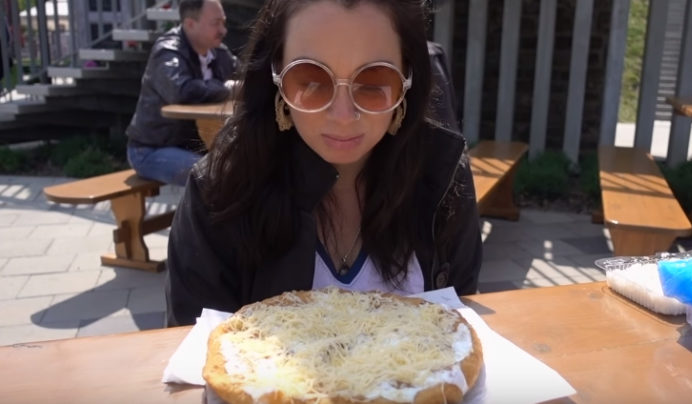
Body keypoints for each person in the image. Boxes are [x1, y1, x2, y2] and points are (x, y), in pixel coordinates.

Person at [164, 0, 483, 326]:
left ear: (408, 79)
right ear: (276, 76)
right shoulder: (218, 195)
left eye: (374, 83)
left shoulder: (443, 179)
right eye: (310, 80)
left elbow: (458, 332)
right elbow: (195, 344)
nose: (343, 115)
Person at [125, 0, 238, 186]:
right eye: (215, 23)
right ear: (190, 24)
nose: (223, 30)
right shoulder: (167, 52)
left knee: (247, 167)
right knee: (217, 177)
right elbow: (180, 91)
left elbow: (247, 78)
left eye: (223, 23)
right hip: (151, 149)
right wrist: (229, 89)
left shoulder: (218, 53)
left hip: (195, 146)